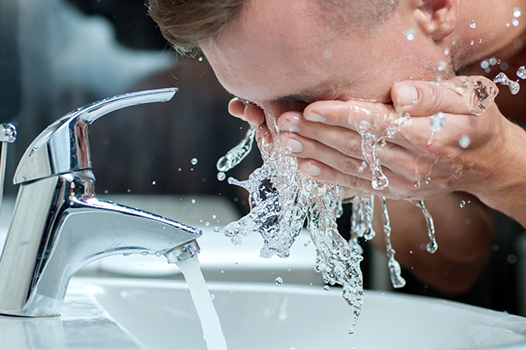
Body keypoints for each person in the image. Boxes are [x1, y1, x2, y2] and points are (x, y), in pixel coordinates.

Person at [147, 0, 526, 300]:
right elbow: (457, 266)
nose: (283, 131)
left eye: (308, 98)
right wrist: (378, 174)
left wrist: (503, 167)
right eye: (257, 103)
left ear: (433, 7)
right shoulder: (375, 55)